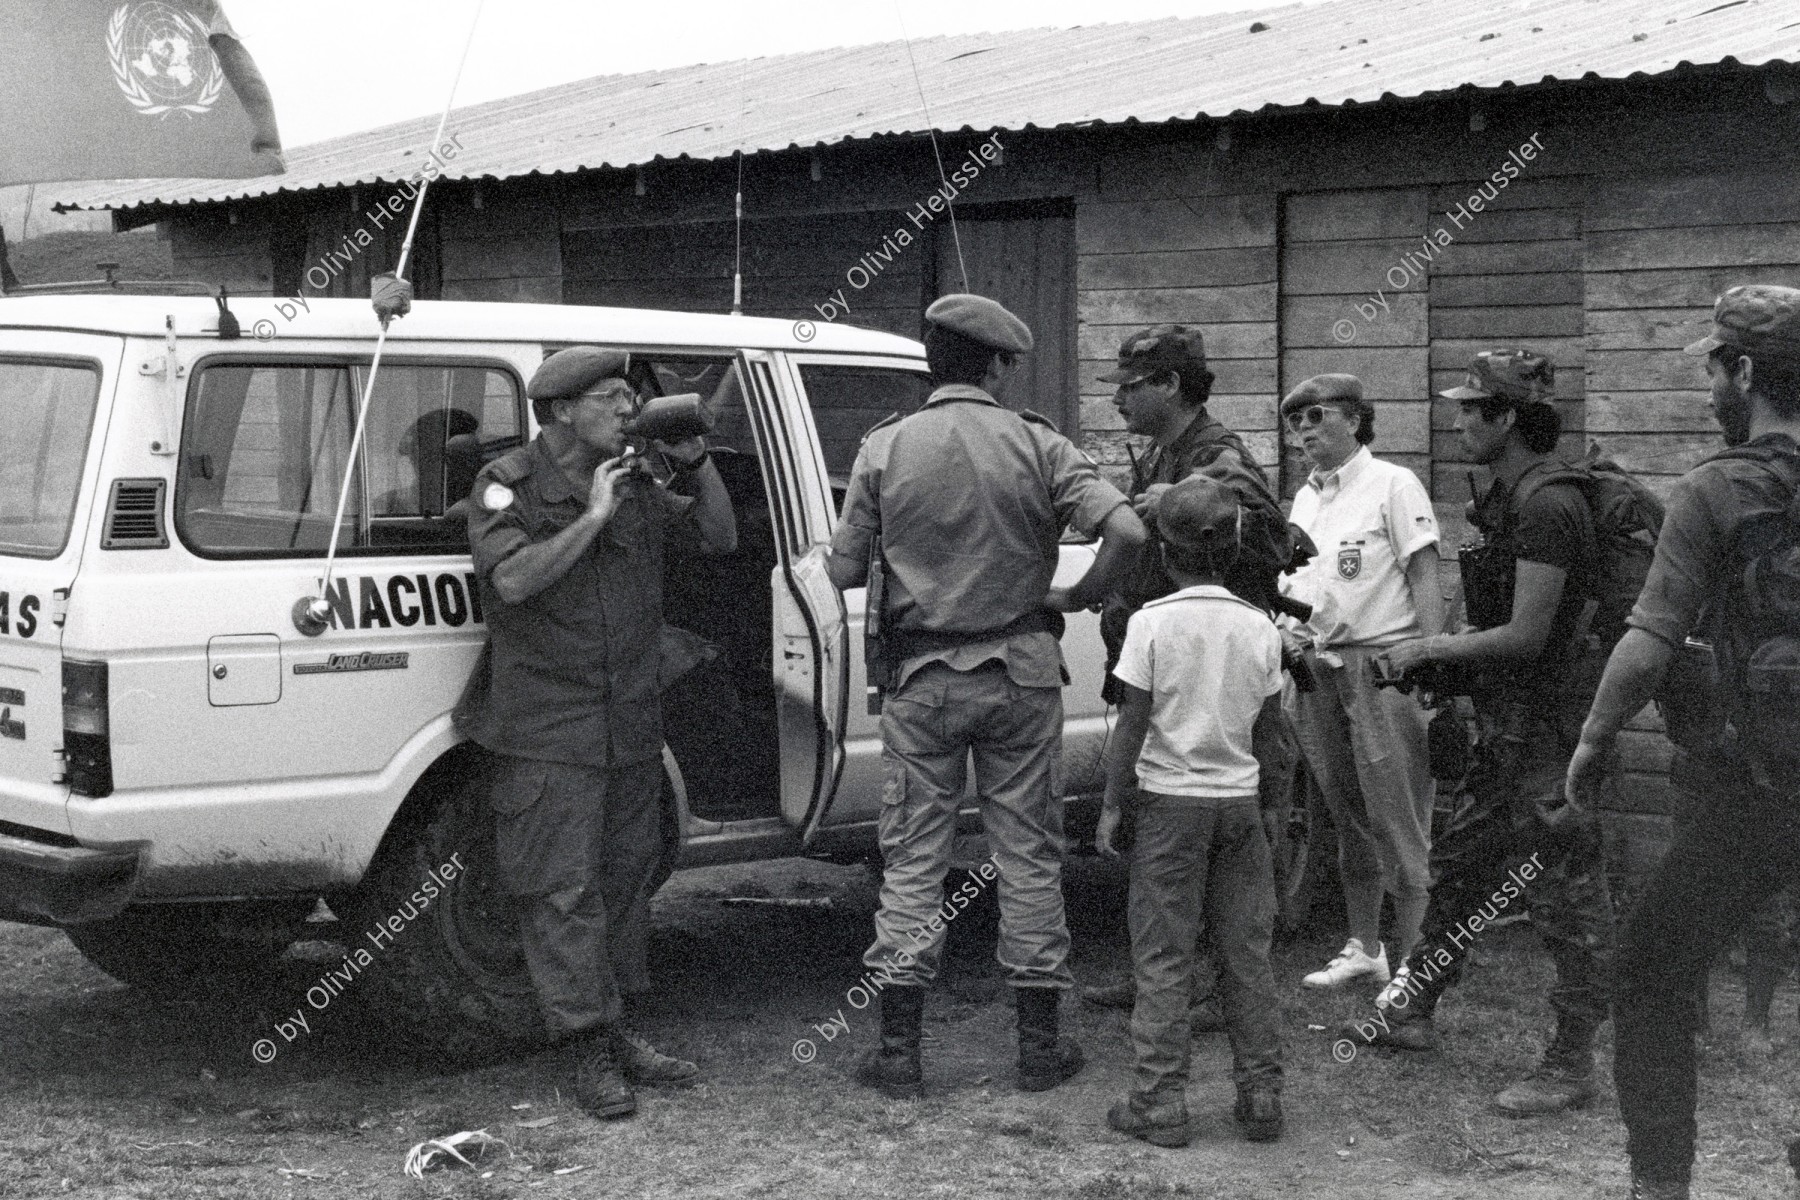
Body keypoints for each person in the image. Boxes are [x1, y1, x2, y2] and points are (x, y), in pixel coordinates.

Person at [825, 293, 1147, 1100]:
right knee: (1029, 856)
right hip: (1021, 673)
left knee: (913, 860)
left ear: (933, 362)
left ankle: (900, 1052)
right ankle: (1039, 1048)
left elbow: (838, 570)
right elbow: (1131, 533)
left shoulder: (885, 448)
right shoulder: (1038, 442)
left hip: (923, 680)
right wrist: (1073, 599)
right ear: (998, 365)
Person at [453, 346, 737, 1120]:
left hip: (630, 723)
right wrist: (594, 517)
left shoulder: (635, 477)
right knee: (559, 892)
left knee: (623, 883)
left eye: (627, 398)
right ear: (562, 410)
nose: (627, 409)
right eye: (612, 397)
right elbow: (511, 580)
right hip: (548, 728)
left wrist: (697, 462)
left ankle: (617, 1035)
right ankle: (583, 1049)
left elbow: (718, 540)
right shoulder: (506, 482)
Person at [1564, 284, 1800, 1200]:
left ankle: (1661, 1186)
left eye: (1714, 366)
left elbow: (1651, 635)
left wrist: (1593, 737)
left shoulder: (1714, 488)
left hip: (1754, 788)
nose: (1709, 387)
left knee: (1654, 973)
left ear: (1745, 372)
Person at [1338, 348, 1618, 1120]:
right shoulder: (1509, 496)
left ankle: (1571, 1062)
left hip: (1554, 731)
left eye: (1471, 408)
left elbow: (1529, 635)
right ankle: (1413, 1009)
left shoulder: (1548, 505)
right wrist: (1452, 662)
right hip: (1512, 726)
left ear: (1508, 419)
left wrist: (1429, 649)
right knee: (1461, 866)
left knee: (1565, 895)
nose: (1457, 419)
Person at [1083, 323, 1302, 1029]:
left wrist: (1184, 490)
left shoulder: (1214, 456)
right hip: (1157, 668)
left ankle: (1207, 985)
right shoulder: (1164, 454)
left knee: (1196, 832)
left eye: (1129, 385)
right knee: (1156, 825)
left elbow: (1245, 509)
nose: (1116, 398)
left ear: (1170, 384)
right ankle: (1159, 971)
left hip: (1201, 680)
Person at [1096, 473, 1287, 1148]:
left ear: (1163, 548)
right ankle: (1261, 1095)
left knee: (1164, 955)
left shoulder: (1150, 623)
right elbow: (1273, 735)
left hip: (1169, 806)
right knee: (1247, 955)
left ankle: (1159, 1101)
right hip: (1238, 802)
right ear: (1236, 546)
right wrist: (1273, 808)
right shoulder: (1261, 627)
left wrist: (1113, 805)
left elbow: (1132, 724)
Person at [1279, 375, 1444, 990]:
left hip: (1384, 670)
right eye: (1295, 423)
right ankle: (1366, 946)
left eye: (1316, 417)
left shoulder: (1393, 484)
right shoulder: (1304, 500)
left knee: (1398, 817)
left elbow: (1425, 574)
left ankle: (1416, 964)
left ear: (1355, 418)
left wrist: (1431, 663)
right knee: (1344, 816)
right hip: (1319, 668)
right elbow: (1303, 586)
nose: (1304, 431)